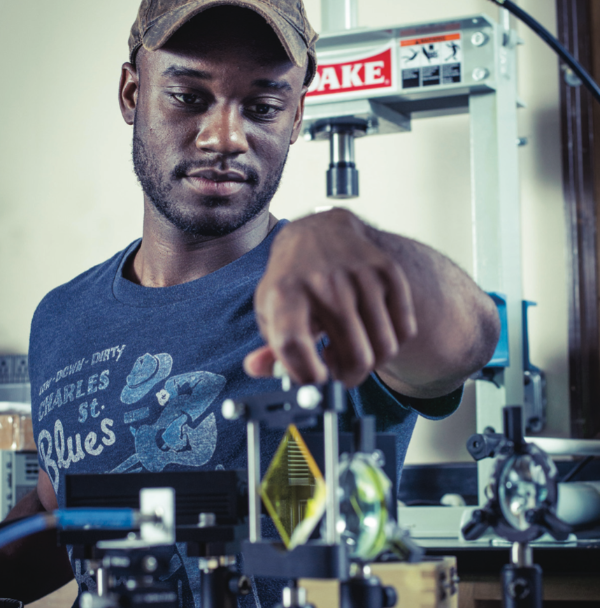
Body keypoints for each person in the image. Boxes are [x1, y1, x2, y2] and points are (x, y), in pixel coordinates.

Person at [0, 0, 500, 606]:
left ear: (295, 119)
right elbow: (61, 510)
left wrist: (364, 241)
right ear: (132, 93)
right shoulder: (61, 316)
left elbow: (467, 339)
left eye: (262, 107)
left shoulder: (323, 293)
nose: (225, 137)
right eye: (188, 97)